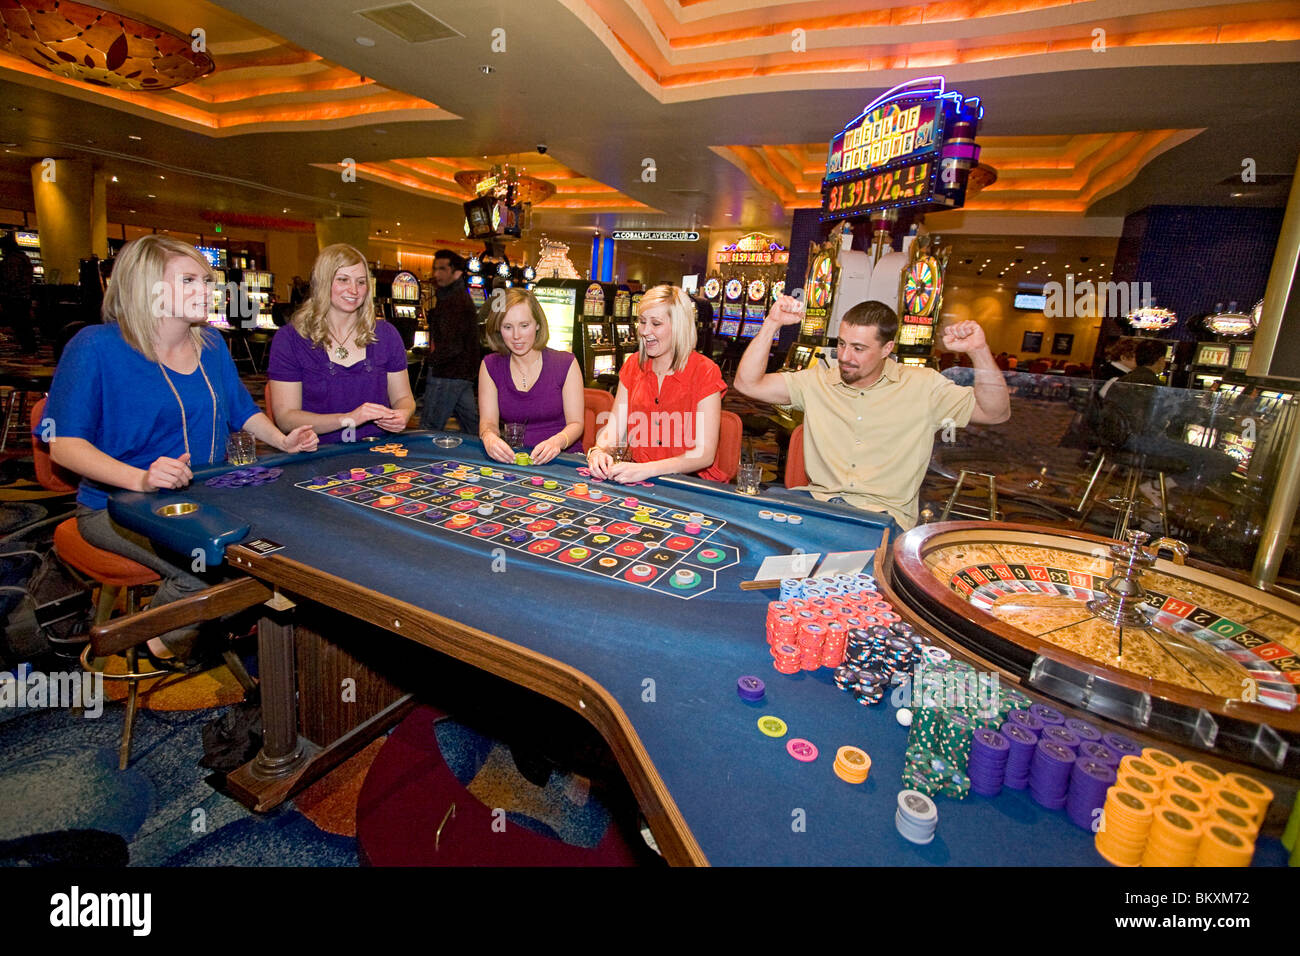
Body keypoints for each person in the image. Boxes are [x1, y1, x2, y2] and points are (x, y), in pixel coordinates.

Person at [44, 235, 318, 665]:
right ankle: (154, 644)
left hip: (205, 496)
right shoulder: (95, 347)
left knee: (282, 554)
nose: (206, 291)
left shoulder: (211, 347)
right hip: (117, 505)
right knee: (210, 571)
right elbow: (64, 447)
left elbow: (241, 411)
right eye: (189, 280)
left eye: (207, 281)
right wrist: (141, 478)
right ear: (146, 285)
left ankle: (193, 635)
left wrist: (282, 439)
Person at [734, 295, 1011, 531]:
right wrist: (772, 323)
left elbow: (994, 413)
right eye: (842, 344)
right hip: (816, 502)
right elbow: (747, 384)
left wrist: (979, 351)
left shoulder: (924, 385)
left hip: (880, 516)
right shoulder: (817, 381)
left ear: (886, 349)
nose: (844, 356)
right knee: (750, 534)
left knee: (847, 581)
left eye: (859, 348)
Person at [266, 244, 413, 444]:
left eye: (361, 282)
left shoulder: (386, 334)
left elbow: (403, 398)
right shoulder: (290, 339)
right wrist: (349, 419)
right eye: (343, 280)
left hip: (378, 452)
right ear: (323, 282)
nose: (354, 290)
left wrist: (402, 414)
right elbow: (286, 418)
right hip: (317, 453)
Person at [587, 284, 725, 483]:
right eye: (642, 322)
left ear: (679, 327)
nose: (645, 331)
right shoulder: (634, 364)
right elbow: (614, 429)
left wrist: (648, 469)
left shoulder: (705, 371)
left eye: (656, 324)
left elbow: (704, 453)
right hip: (638, 474)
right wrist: (598, 451)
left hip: (689, 482)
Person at [478, 288, 583, 465]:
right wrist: (488, 436)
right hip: (515, 458)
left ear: (538, 324)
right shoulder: (490, 365)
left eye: (524, 325)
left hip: (563, 459)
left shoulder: (565, 363)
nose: (516, 336)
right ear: (498, 330)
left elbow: (576, 424)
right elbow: (488, 422)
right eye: (507, 327)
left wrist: (556, 442)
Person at [420, 249, 480, 435]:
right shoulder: (454, 297)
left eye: (442, 269)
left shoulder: (454, 301)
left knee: (428, 431)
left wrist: (430, 360)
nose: (437, 274)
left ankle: (422, 461)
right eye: (435, 268)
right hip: (461, 374)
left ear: (457, 273)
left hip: (447, 373)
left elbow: (453, 345)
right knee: (473, 430)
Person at [0, 231, 35, 353]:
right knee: (25, 323)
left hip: (14, 296)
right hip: (25, 295)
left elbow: (10, 279)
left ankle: (27, 347)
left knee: (19, 323)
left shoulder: (11, 260)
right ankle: (29, 346)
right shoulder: (24, 258)